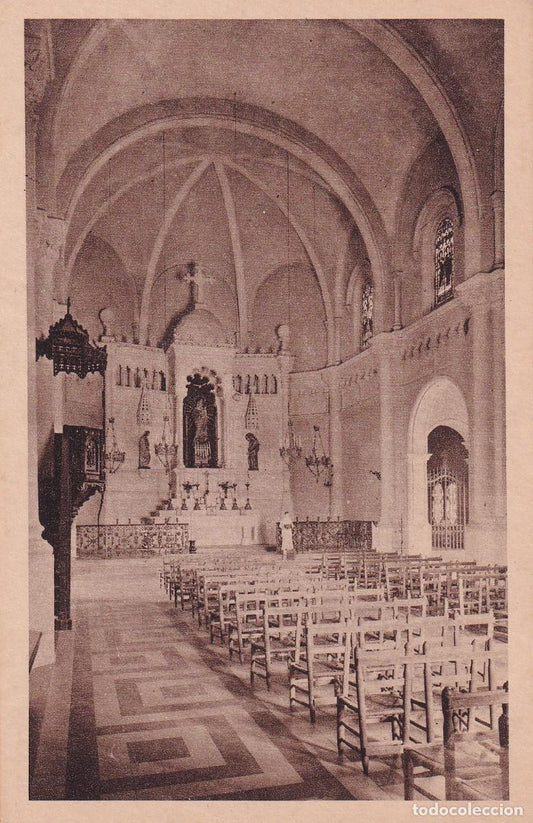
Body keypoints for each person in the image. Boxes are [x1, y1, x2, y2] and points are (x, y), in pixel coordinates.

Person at [193, 398, 211, 467]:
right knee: (198, 441)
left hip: (204, 428)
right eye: (200, 402)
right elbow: (195, 419)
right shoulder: (195, 410)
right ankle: (197, 461)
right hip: (198, 426)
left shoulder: (204, 409)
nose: (201, 403)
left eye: (202, 402)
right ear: (197, 403)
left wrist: (204, 414)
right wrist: (201, 416)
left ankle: (205, 461)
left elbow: (206, 418)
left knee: (205, 442)